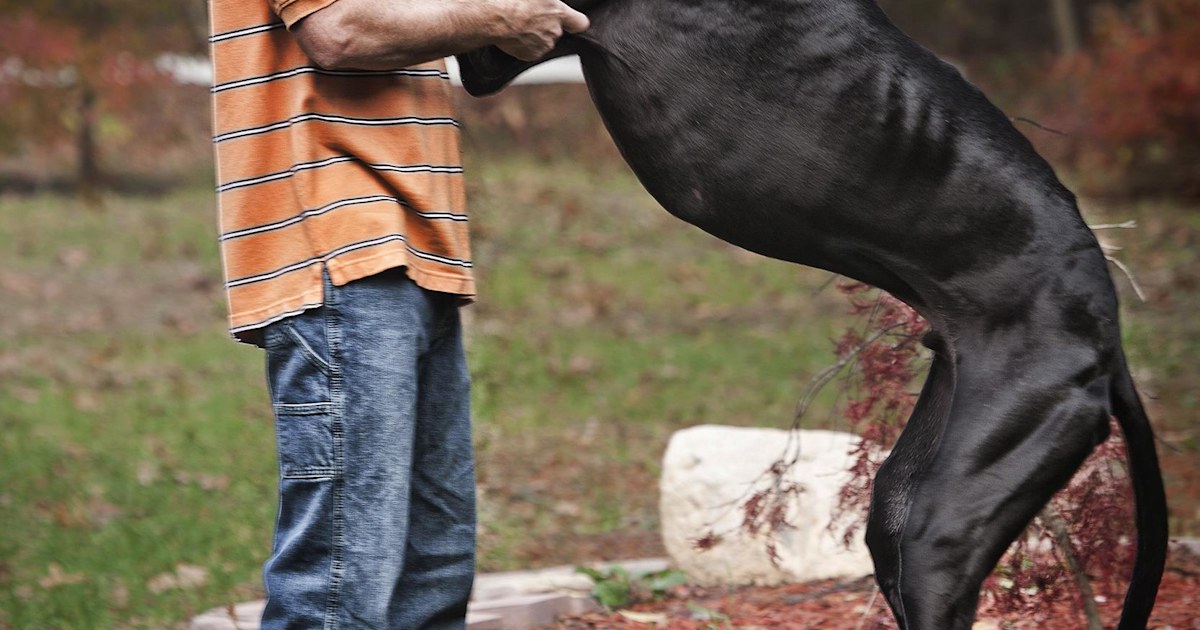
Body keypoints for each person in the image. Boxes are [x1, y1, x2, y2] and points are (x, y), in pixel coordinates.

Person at [207, 1, 589, 627]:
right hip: (340, 244)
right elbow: (339, 32)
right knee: (339, 589)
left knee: (432, 575)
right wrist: (502, 19)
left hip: (417, 251)